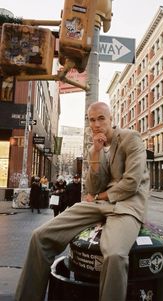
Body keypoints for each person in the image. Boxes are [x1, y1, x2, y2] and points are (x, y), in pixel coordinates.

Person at [15, 102, 150, 301]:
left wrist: (97, 197)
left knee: (114, 255)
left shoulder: (131, 139)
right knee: (40, 236)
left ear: (111, 119)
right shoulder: (96, 148)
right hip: (99, 205)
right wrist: (95, 152)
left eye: (101, 118)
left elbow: (131, 184)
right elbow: (93, 188)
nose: (96, 124)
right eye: (92, 120)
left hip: (127, 206)